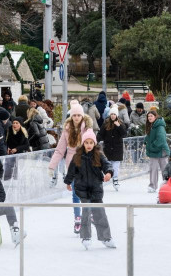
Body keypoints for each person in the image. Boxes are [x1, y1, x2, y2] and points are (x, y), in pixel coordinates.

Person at [64, 129, 116, 250]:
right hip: (82, 189)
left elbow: (107, 164)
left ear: (94, 144)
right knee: (86, 212)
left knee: (100, 213)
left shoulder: (99, 155)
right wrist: (68, 181)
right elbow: (72, 170)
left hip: (96, 189)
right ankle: (86, 237)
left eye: (91, 143)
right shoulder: (77, 156)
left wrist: (108, 173)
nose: (88, 145)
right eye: (86, 142)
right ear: (83, 143)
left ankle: (106, 238)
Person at [48, 103, 93, 234]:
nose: (77, 117)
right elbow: (60, 150)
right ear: (71, 116)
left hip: (86, 164)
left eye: (79, 115)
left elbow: (93, 147)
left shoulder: (88, 129)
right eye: (74, 115)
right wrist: (52, 166)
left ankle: (87, 214)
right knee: (75, 194)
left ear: (82, 115)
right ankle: (77, 218)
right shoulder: (67, 129)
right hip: (72, 166)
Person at [98, 105, 127, 191]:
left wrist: (119, 126)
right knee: (106, 163)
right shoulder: (106, 123)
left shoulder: (120, 123)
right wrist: (95, 140)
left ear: (117, 115)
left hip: (117, 147)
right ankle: (104, 178)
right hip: (108, 147)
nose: (113, 116)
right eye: (112, 114)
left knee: (116, 165)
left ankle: (115, 179)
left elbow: (124, 134)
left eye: (114, 114)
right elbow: (100, 134)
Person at [144, 107, 170, 193]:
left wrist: (152, 146)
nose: (149, 118)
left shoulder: (159, 126)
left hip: (161, 150)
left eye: (151, 116)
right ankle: (152, 186)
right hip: (154, 151)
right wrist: (146, 141)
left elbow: (161, 139)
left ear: (155, 117)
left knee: (164, 169)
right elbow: (150, 136)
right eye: (148, 116)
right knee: (153, 169)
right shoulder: (152, 125)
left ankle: (167, 185)